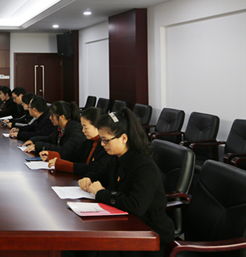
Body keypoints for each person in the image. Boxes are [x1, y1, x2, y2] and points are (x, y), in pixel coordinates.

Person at [68, 108, 175, 257]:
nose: (102, 144)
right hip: (125, 223)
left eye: (106, 140)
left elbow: (135, 205)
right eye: (101, 139)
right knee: (79, 243)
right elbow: (102, 173)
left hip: (148, 234)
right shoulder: (118, 157)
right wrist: (89, 178)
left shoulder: (144, 166)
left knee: (87, 248)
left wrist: (101, 193)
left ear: (124, 138)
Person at [43, 107, 113, 176]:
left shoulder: (106, 146)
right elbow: (74, 156)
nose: (83, 130)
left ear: (97, 126)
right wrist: (53, 155)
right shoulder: (88, 141)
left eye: (86, 128)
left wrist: (63, 165)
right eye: (82, 127)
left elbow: (94, 169)